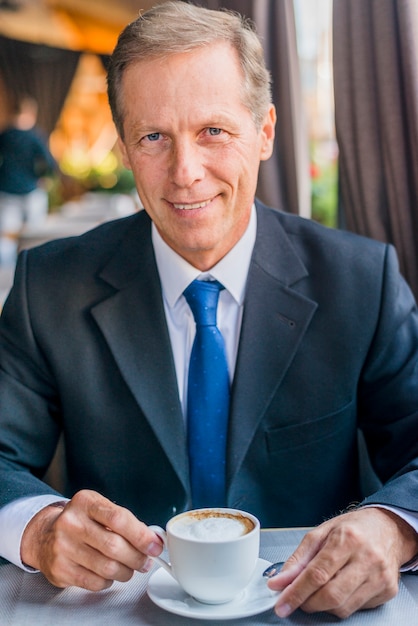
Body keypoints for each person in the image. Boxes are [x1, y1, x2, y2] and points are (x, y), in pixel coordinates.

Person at [0, 1, 417, 620]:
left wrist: (396, 526)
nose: (185, 173)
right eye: (153, 138)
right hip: (116, 609)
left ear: (266, 131)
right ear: (124, 149)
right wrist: (36, 529)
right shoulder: (48, 285)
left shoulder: (362, 280)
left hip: (309, 611)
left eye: (213, 131)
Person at [0, 99, 56, 266]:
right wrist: (44, 177)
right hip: (30, 189)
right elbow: (48, 162)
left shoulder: (4, 135)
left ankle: (5, 271)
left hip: (6, 189)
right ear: (31, 114)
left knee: (6, 234)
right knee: (35, 232)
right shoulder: (35, 136)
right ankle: (33, 267)